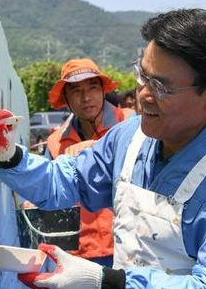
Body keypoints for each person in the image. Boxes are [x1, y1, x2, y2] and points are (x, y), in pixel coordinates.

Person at [0, 9, 206, 289]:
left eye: (161, 86)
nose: (144, 95)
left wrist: (107, 281)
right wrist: (8, 154)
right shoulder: (127, 137)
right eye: (142, 76)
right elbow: (65, 182)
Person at [22, 58, 133, 267]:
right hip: (78, 254)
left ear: (103, 90)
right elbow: (47, 187)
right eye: (76, 91)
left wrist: (96, 147)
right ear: (66, 98)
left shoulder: (130, 124)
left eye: (92, 87)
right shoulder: (56, 142)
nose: (86, 98)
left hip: (129, 248)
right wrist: (33, 200)